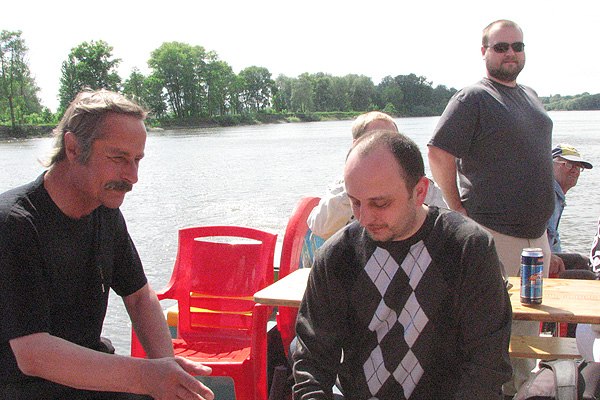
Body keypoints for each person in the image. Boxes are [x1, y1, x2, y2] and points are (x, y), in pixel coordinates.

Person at [0, 89, 214, 400]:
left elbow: (139, 298)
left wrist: (169, 373)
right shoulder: (15, 223)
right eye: (118, 158)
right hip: (24, 389)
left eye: (137, 160)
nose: (133, 176)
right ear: (73, 148)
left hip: (90, 382)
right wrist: (147, 377)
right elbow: (33, 354)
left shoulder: (104, 211)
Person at [292, 130, 512, 399]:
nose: (364, 218)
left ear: (419, 191)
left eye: (380, 203)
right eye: (355, 202)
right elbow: (311, 361)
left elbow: (487, 366)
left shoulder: (469, 249)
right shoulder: (336, 258)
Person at [427, 19, 554, 395]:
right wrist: (457, 209)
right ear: (484, 52)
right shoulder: (473, 98)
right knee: (491, 332)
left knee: (528, 332)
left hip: (537, 239)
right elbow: (438, 153)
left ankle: (523, 390)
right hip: (494, 237)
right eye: (500, 47)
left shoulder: (530, 95)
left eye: (517, 46)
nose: (510, 53)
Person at [307, 111, 446, 241]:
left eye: (393, 140)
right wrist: (354, 190)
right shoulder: (342, 187)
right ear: (356, 145)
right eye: (375, 139)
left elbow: (443, 224)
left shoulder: (415, 183)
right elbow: (320, 227)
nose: (385, 146)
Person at [547, 144, 593, 275]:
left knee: (584, 262)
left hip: (547, 257)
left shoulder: (557, 196)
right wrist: (547, 255)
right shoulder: (546, 195)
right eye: (568, 164)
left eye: (578, 167)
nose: (575, 170)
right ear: (550, 164)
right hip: (538, 261)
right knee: (588, 274)